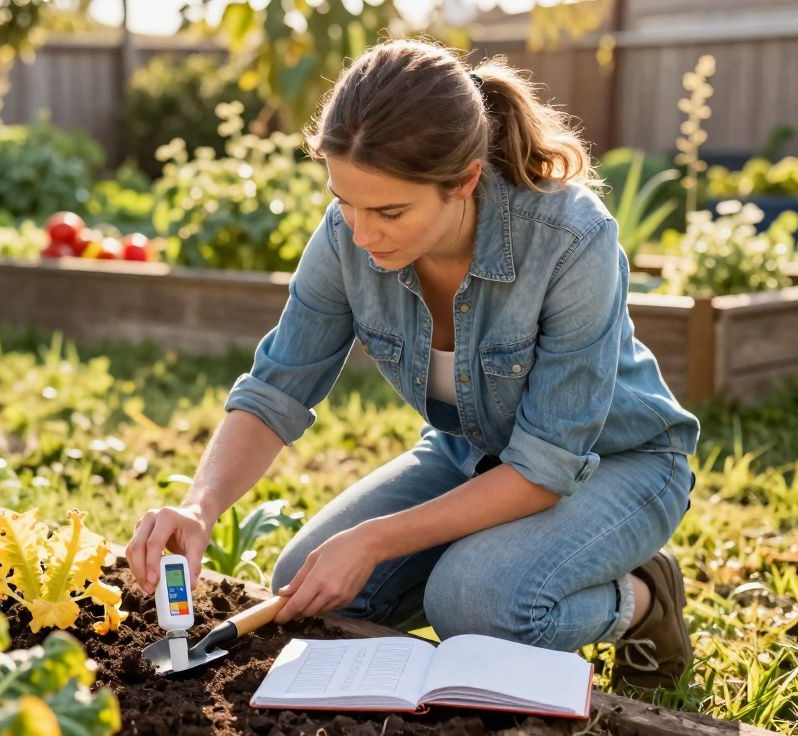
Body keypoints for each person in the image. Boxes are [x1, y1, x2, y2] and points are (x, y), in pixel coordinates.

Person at [127, 39, 700, 689]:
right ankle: (486, 559)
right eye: (345, 202)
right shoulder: (348, 235)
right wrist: (199, 507)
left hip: (619, 466)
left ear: (464, 180)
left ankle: (644, 598)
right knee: (308, 593)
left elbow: (546, 466)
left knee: (476, 606)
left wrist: (374, 541)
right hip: (469, 456)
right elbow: (276, 387)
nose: (361, 233)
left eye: (389, 211)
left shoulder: (570, 238)